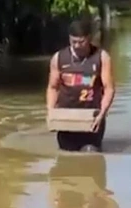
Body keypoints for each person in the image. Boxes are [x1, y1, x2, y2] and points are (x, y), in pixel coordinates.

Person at [46, 18, 115, 152]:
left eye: (81, 42)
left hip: (92, 118)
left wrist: (102, 114)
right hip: (66, 118)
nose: (77, 46)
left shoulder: (102, 57)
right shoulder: (59, 58)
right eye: (74, 42)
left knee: (91, 153)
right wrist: (51, 112)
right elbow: (53, 87)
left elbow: (109, 89)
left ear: (89, 38)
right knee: (66, 159)